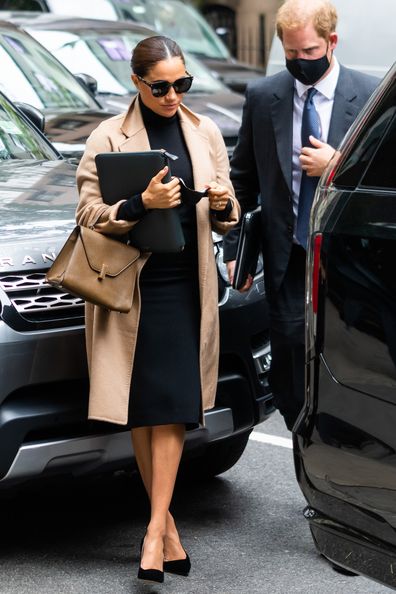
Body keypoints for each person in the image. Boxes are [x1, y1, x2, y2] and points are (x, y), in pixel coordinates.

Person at [75, 35, 239, 583]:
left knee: (171, 404)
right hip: (134, 290)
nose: (173, 95)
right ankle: (165, 528)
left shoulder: (205, 130)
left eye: (182, 84)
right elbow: (89, 216)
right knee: (146, 409)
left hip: (186, 287)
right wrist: (141, 204)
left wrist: (222, 205)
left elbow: (229, 210)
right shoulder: (108, 136)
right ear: (138, 83)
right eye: (162, 86)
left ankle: (152, 529)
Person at [223, 0, 378, 430]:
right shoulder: (264, 95)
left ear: (332, 41)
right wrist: (236, 249)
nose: (300, 62)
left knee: (348, 362)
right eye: (291, 54)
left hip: (350, 258)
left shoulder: (370, 94)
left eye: (309, 53)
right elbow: (242, 179)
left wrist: (338, 164)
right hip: (287, 255)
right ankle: (302, 444)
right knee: (290, 363)